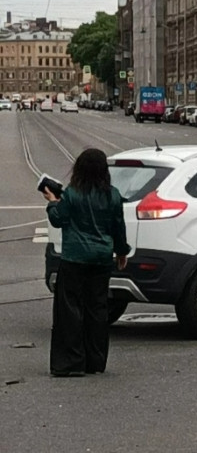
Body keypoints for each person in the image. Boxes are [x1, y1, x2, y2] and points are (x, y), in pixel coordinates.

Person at [42, 148, 130, 377]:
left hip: (75, 258)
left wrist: (52, 202)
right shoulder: (113, 195)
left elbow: (58, 219)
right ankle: (95, 361)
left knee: (70, 309)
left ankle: (71, 362)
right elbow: (118, 228)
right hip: (102, 258)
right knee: (97, 308)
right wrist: (121, 252)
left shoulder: (72, 193)